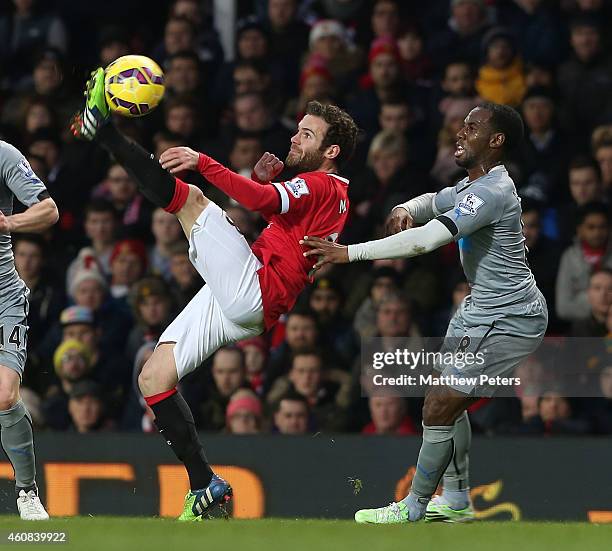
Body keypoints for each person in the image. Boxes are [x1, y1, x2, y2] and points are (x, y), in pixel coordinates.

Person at [71, 68, 357, 521]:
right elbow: (273, 211)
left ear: (331, 151)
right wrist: (263, 185)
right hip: (250, 301)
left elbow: (263, 205)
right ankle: (205, 484)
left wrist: (204, 161)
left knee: (191, 200)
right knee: (153, 378)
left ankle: (105, 133)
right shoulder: (331, 193)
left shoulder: (323, 183)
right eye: (299, 130)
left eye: (307, 134)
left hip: (255, 289)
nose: (296, 139)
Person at [301, 103, 548, 524]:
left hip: (510, 317)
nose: (460, 131)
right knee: (445, 400)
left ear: (496, 140)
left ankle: (413, 508)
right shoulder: (474, 184)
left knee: (437, 407)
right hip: (479, 309)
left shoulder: (492, 193)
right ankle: (455, 501)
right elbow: (433, 202)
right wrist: (406, 209)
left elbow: (427, 241)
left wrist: (348, 253)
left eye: (472, 127)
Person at [0, 139, 58, 519]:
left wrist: (9, 222)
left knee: (5, 395)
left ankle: (27, 492)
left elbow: (49, 210)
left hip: (2, 297)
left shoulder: (3, 155)